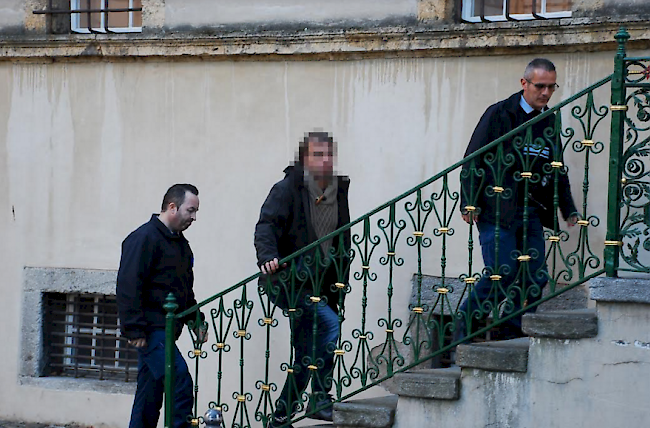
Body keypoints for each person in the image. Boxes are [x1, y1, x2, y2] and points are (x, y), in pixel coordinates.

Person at [456, 58, 578, 342]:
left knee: (536, 278)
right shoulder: (499, 114)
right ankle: (466, 322)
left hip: (531, 210)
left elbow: (556, 166)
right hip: (496, 208)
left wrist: (567, 208)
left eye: (551, 87)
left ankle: (510, 332)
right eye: (540, 86)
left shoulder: (548, 118)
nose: (546, 93)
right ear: (524, 83)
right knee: (503, 269)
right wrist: (468, 202)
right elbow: (473, 158)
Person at [254, 132, 351, 428]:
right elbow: (266, 225)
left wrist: (342, 274)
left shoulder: (337, 191)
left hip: (325, 284)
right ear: (305, 159)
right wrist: (268, 256)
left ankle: (281, 416)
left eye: (329, 154)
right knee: (329, 326)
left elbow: (341, 236)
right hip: (292, 280)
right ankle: (320, 398)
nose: (326, 160)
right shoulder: (288, 188)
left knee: (307, 352)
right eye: (318, 154)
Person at [117, 183, 206, 428]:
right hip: (151, 330)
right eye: (191, 210)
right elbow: (128, 285)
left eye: (196, 211)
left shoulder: (181, 246)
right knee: (180, 381)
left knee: (149, 395)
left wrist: (195, 321)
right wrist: (133, 329)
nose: (194, 217)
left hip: (167, 329)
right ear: (172, 207)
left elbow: (184, 290)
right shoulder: (143, 238)